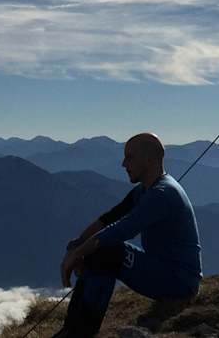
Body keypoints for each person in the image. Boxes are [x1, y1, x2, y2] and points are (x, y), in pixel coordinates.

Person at [54, 132, 202, 337]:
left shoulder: (162, 194)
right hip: (165, 271)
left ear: (149, 159)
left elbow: (121, 229)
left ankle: (79, 333)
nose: (124, 164)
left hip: (179, 282)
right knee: (98, 248)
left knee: (107, 252)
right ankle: (71, 329)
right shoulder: (144, 190)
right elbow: (109, 218)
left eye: (129, 157)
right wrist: (77, 245)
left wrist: (78, 254)